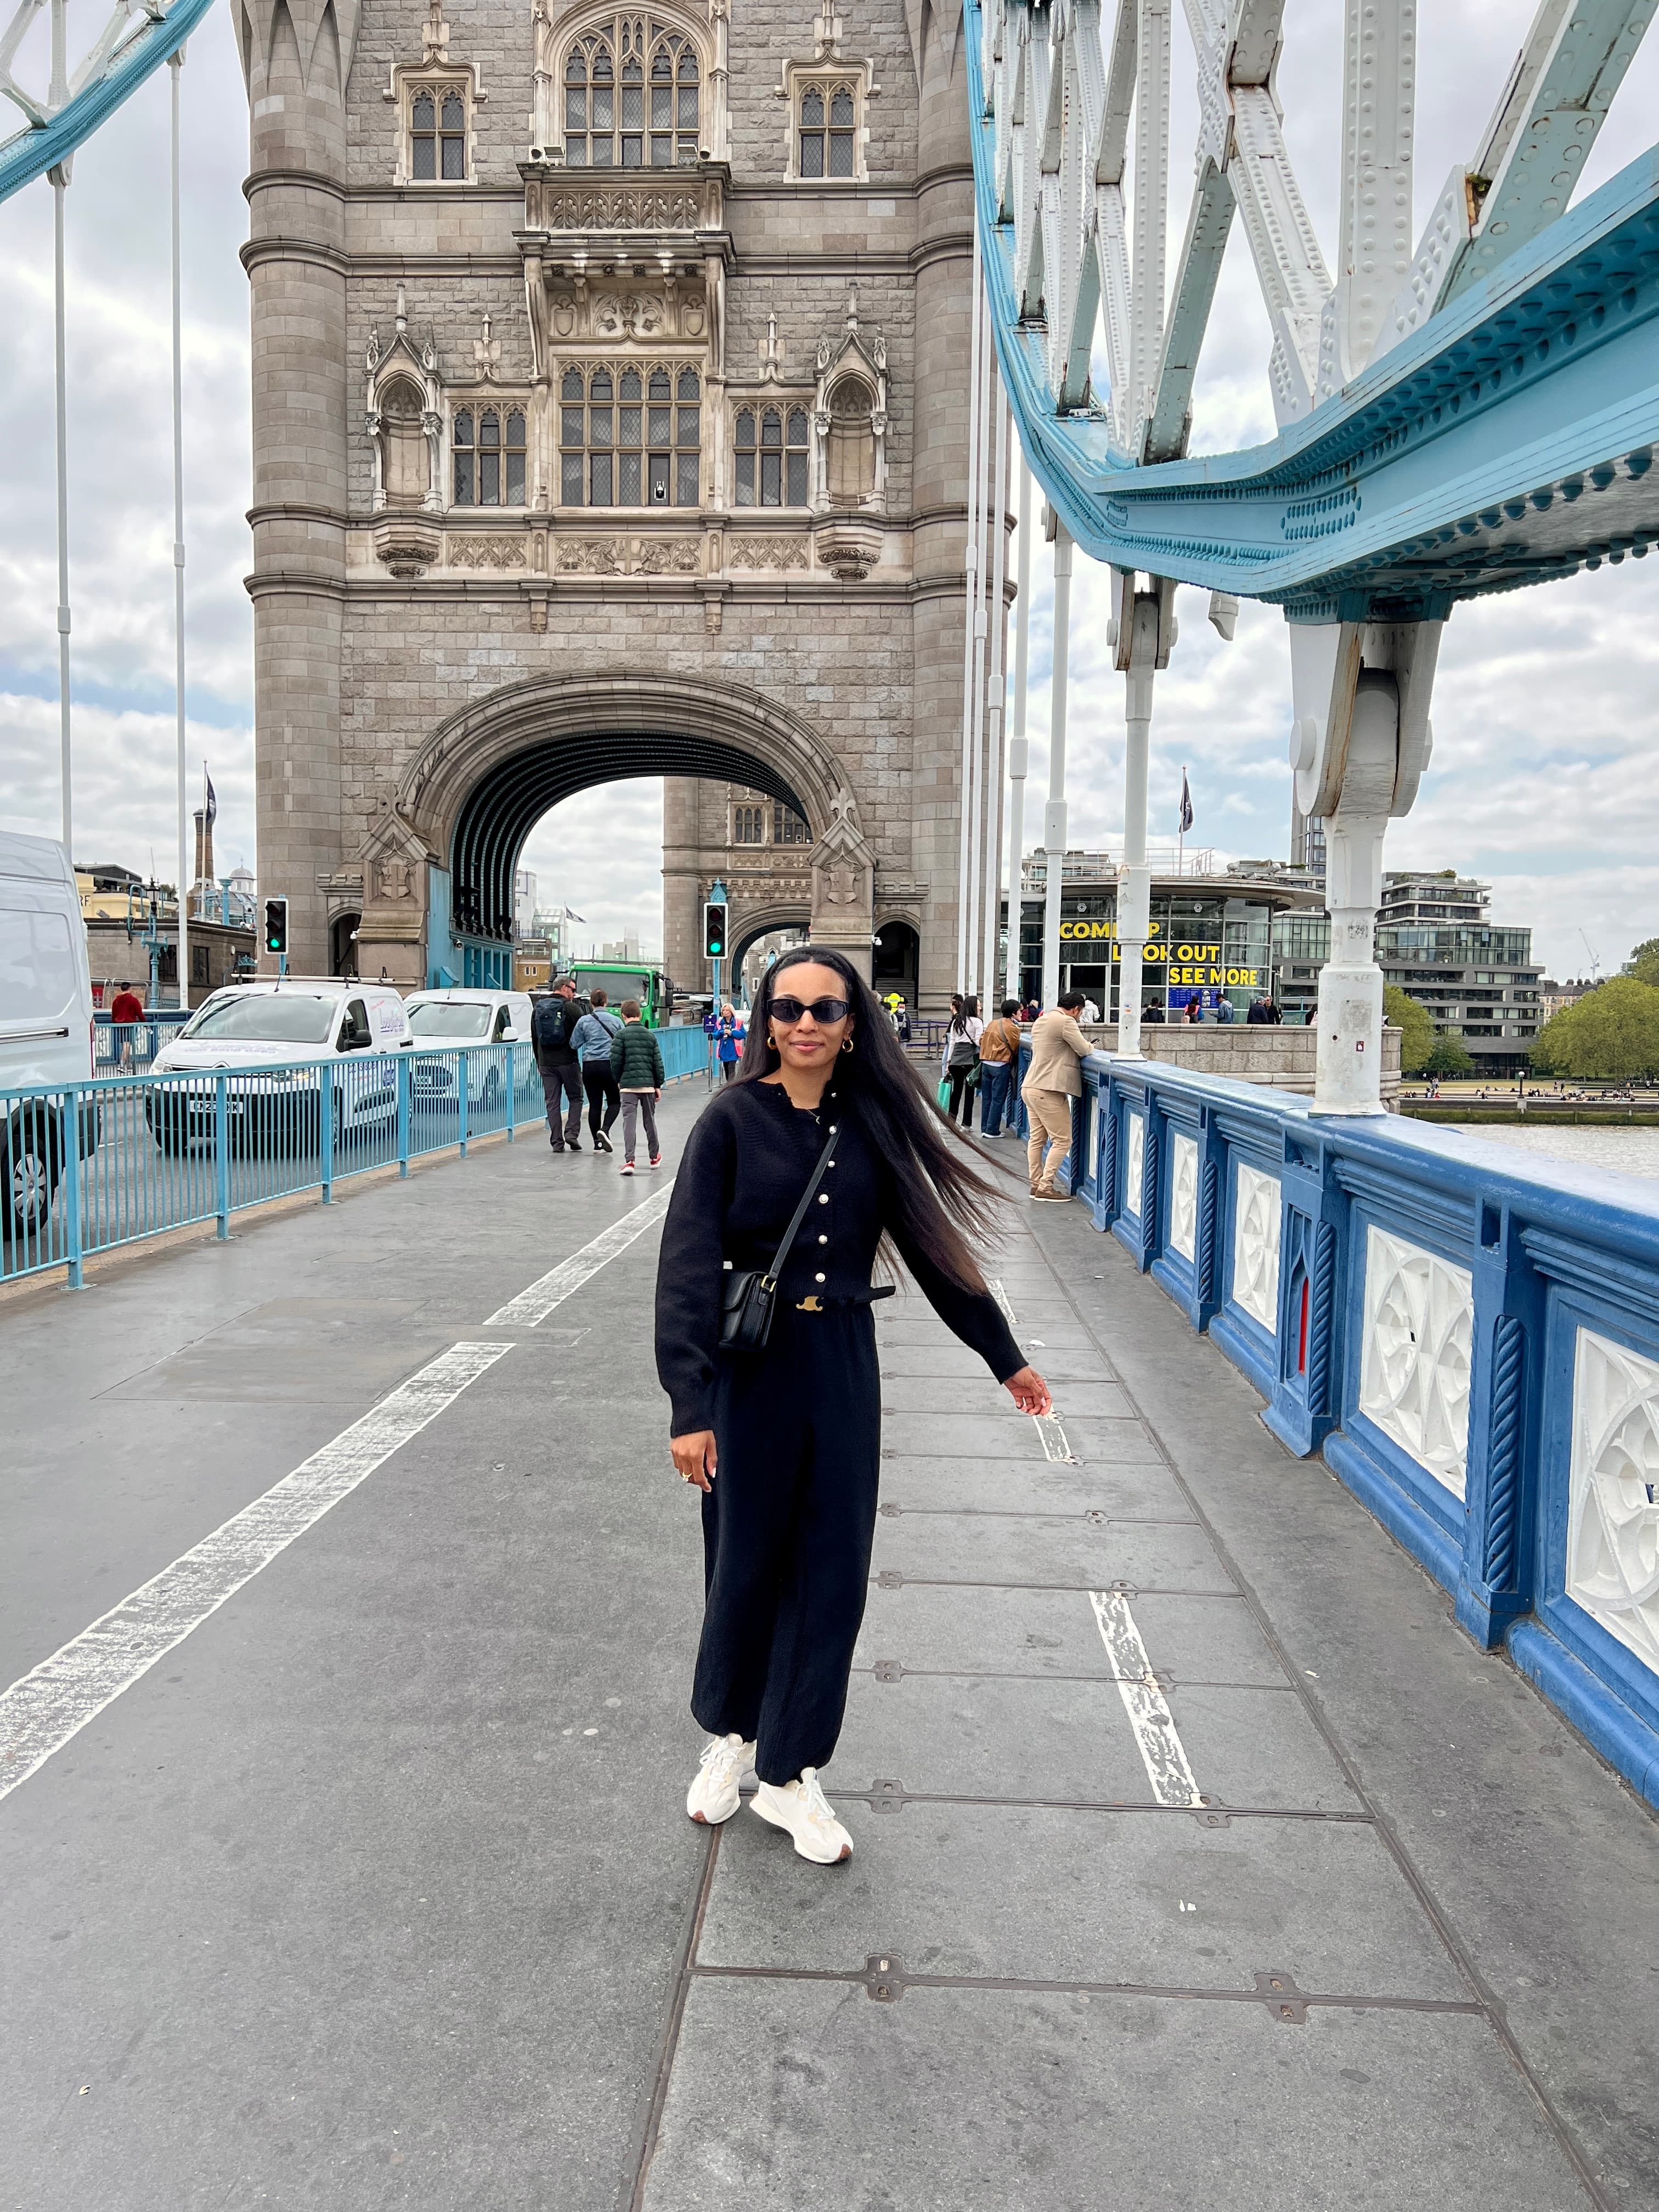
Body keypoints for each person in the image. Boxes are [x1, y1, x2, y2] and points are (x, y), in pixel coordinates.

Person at [656, 946, 1052, 1865]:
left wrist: (1004, 1357)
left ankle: (790, 1773)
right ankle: (733, 1735)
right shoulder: (728, 1121)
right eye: (786, 1007)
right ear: (763, 1019)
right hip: (746, 1371)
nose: (803, 1023)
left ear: (849, 1024)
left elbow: (933, 1250)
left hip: (838, 1362)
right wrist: (688, 1403)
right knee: (743, 1559)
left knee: (831, 1569)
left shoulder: (872, 1125)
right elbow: (684, 1269)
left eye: (824, 1009)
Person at [1022, 988, 1092, 1201]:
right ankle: (1046, 1187)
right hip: (1048, 1090)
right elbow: (1084, 1049)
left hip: (1030, 1086)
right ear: (1076, 1010)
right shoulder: (1066, 1022)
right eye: (1080, 1013)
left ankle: (1035, 1184)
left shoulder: (1042, 1020)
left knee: (1037, 1139)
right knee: (1062, 1140)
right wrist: (1090, 1045)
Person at [609, 999, 665, 1172]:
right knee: (649, 1121)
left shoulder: (621, 1035)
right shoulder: (650, 1035)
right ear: (640, 1015)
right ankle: (654, 1157)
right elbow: (657, 1063)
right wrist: (658, 1085)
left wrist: (619, 1080)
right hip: (648, 1086)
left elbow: (615, 1062)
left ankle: (630, 1161)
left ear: (623, 1015)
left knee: (629, 1122)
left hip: (628, 1087)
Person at [532, 977, 585, 1150]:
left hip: (546, 1063)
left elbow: (535, 1037)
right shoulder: (571, 1008)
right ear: (564, 988)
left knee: (552, 1102)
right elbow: (584, 1030)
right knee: (576, 1098)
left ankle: (556, 1142)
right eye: (573, 989)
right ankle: (571, 1133)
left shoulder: (538, 1008)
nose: (574, 993)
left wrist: (539, 1061)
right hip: (568, 1061)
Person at [571, 987, 624, 1152]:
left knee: (594, 1105)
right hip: (609, 1065)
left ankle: (597, 1142)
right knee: (615, 1102)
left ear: (591, 1003)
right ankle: (605, 1130)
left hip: (590, 1066)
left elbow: (574, 1044)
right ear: (606, 1002)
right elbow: (623, 1043)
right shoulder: (616, 1021)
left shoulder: (584, 1021)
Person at [977, 998, 1023, 1138]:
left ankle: (985, 1127)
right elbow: (1016, 1048)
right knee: (998, 1099)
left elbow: (981, 1040)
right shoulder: (1013, 1028)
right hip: (1001, 1065)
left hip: (986, 1064)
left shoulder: (993, 1023)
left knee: (987, 1098)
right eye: (1020, 1011)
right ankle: (992, 1130)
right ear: (1014, 1013)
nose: (1022, 1014)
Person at [940, 993, 983, 1126]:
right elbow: (978, 1042)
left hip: (957, 1059)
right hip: (970, 1059)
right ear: (972, 1007)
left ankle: (951, 1120)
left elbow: (952, 1042)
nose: (980, 1009)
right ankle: (966, 1123)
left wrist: (948, 1062)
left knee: (956, 1091)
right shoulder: (977, 1022)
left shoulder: (956, 1021)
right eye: (978, 1006)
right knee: (970, 1093)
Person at [716, 1001, 743, 1084]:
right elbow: (715, 1035)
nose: (725, 1012)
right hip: (724, 1050)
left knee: (732, 1069)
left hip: (734, 1050)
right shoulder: (719, 1023)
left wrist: (732, 1033)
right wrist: (721, 1032)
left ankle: (731, 1086)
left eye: (727, 1010)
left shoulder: (738, 1022)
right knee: (727, 1069)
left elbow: (743, 1034)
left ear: (731, 1012)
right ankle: (729, 1084)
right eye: (724, 1010)